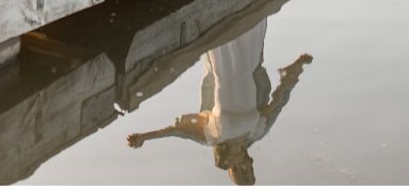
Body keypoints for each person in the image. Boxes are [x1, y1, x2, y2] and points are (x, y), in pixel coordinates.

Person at [126, 18, 313, 185]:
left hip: (221, 63)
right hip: (249, 59)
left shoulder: (212, 136)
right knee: (250, 22)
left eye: (239, 173)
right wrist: (297, 69)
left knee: (221, 27)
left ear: (229, 168)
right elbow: (280, 99)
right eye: (248, 171)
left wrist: (145, 137)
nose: (244, 167)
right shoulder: (257, 132)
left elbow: (177, 131)